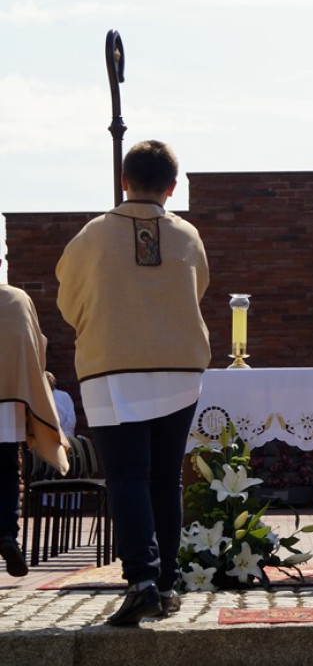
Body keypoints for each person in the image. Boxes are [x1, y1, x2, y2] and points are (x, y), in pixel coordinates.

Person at [56, 140, 211, 623]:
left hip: (114, 369)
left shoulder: (91, 236)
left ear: (125, 180)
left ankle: (143, 579)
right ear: (172, 186)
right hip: (180, 368)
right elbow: (198, 288)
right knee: (166, 479)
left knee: (127, 475)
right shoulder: (187, 236)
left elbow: (68, 300)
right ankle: (165, 586)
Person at [0, 260, 69, 577]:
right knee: (6, 470)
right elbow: (37, 345)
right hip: (10, 398)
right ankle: (6, 533)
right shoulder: (18, 300)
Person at [45, 371, 76, 439]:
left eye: (50, 378)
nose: (48, 380)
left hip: (66, 436)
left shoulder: (64, 396)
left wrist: (63, 435)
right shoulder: (41, 398)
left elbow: (71, 419)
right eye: (46, 379)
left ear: (54, 381)